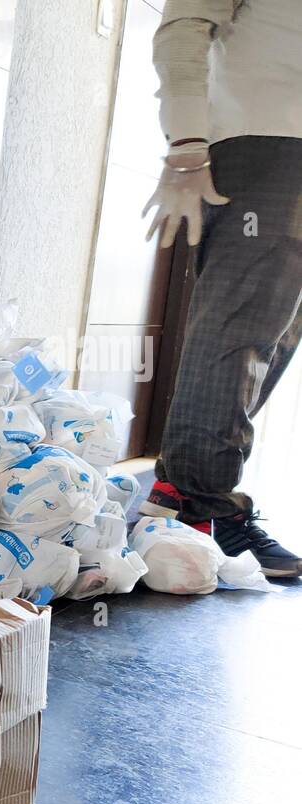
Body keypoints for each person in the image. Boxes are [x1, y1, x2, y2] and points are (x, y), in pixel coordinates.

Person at [141, 0, 302, 577]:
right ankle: (196, 503)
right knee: (240, 329)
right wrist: (186, 144)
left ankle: (185, 491)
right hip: (267, 145)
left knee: (275, 334)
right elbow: (185, 23)